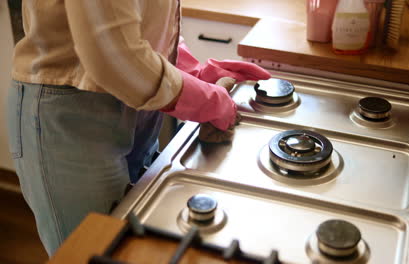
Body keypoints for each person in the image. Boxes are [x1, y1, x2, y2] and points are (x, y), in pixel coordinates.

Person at [7, 0, 270, 256]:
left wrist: (193, 72)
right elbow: (111, 55)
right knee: (92, 252)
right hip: (70, 114)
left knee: (132, 250)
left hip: (138, 110)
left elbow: (139, 25)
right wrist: (205, 100)